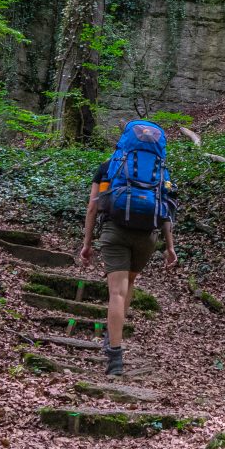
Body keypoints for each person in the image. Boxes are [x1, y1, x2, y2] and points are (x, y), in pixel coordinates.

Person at [78, 154, 177, 377]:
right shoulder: (159, 170)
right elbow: (167, 210)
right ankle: (114, 335)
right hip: (147, 236)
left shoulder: (108, 167)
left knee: (116, 292)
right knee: (129, 283)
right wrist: (169, 247)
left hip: (115, 232)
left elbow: (93, 207)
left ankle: (115, 357)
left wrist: (87, 243)